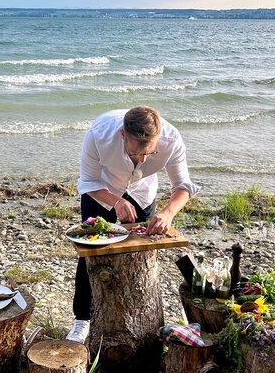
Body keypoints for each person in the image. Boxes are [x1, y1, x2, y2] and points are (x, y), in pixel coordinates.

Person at [67, 106, 200, 343]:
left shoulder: (171, 139)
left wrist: (168, 213)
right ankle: (82, 319)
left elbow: (183, 186)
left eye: (149, 154)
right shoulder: (98, 134)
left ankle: (141, 318)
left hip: (142, 192)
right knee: (90, 251)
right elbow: (87, 181)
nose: (141, 159)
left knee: (141, 251)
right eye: (135, 153)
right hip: (103, 189)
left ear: (158, 138)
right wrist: (115, 201)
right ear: (122, 135)